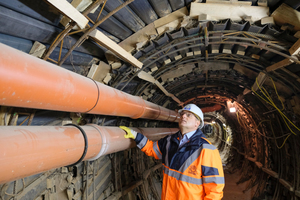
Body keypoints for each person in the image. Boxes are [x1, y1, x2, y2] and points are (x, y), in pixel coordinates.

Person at [120, 104, 224, 200]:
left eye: (189, 115)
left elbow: (215, 190)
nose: (183, 116)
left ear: (198, 123)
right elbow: (153, 149)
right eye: (182, 114)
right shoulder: (169, 141)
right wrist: (136, 136)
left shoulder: (207, 150)